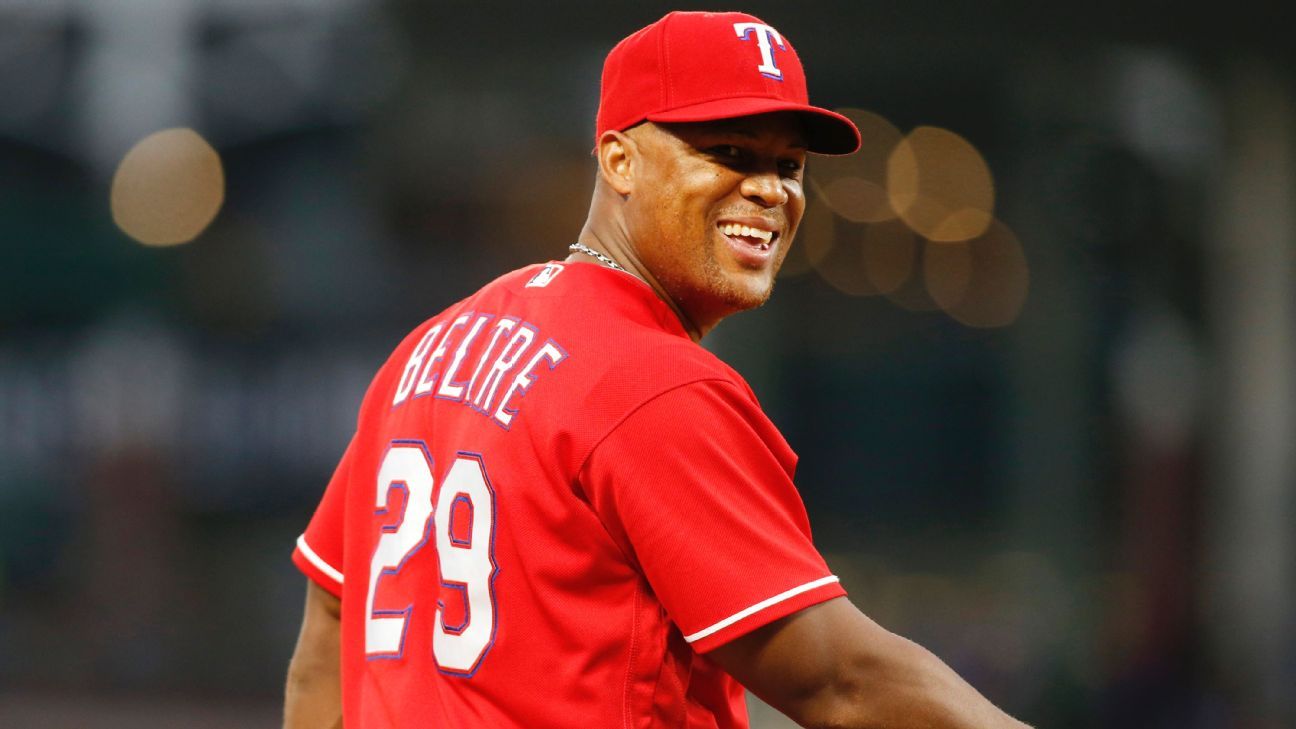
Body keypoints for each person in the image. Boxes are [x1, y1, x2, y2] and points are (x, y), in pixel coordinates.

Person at [284, 10, 1032, 729]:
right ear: (619, 159)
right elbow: (836, 679)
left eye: (788, 165)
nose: (770, 189)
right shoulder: (652, 382)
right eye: (729, 153)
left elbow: (329, 619)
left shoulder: (434, 348)